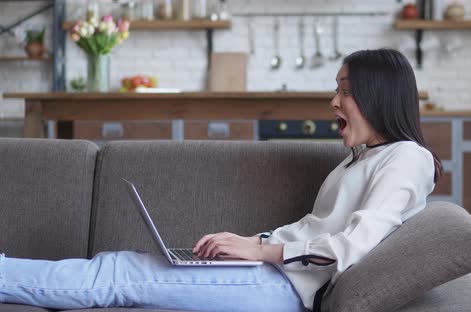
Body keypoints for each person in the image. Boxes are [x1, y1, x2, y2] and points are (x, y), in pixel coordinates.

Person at [0, 49, 442, 312]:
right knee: (124, 263)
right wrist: (249, 242)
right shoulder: (364, 157)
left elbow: (352, 246)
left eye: (345, 90)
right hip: (273, 272)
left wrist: (259, 250)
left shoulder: (407, 159)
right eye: (338, 89)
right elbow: (317, 232)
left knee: (116, 274)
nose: (333, 101)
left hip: (283, 287)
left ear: (378, 96)